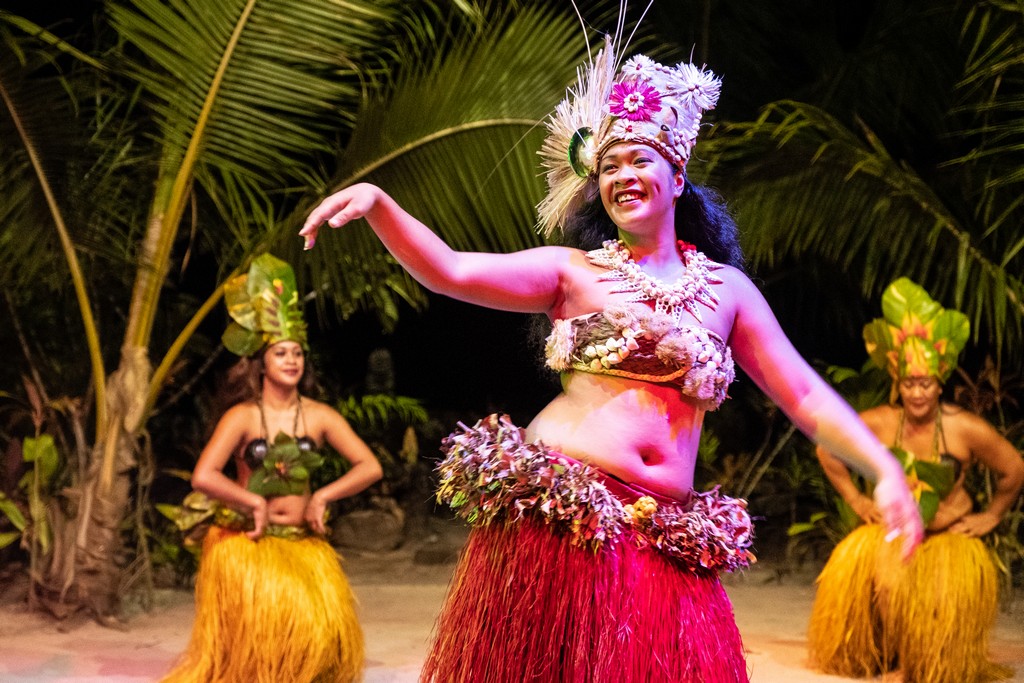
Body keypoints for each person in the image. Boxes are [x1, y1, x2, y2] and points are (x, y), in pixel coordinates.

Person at [301, 37, 923, 683]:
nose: (623, 174)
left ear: (677, 176)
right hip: (565, 529)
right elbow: (450, 270)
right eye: (609, 166)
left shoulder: (727, 291)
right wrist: (379, 203)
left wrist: (882, 467)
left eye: (639, 159)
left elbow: (804, 393)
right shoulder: (572, 273)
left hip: (665, 537)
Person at [161, 254, 383, 683]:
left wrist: (323, 495)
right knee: (265, 653)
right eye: (281, 352)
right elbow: (203, 476)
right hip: (250, 545)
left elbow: (368, 466)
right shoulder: (242, 417)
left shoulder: (319, 416)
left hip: (303, 543)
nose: (291, 360)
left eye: (297, 353)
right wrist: (250, 501)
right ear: (261, 361)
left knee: (319, 641)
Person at [808, 278, 1023, 683]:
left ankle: (932, 662)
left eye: (926, 384)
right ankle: (899, 661)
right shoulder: (881, 423)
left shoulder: (965, 429)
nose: (918, 393)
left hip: (949, 534)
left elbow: (1014, 468)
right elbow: (827, 448)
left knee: (943, 591)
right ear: (898, 382)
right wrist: (857, 499)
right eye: (909, 383)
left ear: (940, 382)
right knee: (890, 583)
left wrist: (992, 515)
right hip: (896, 532)